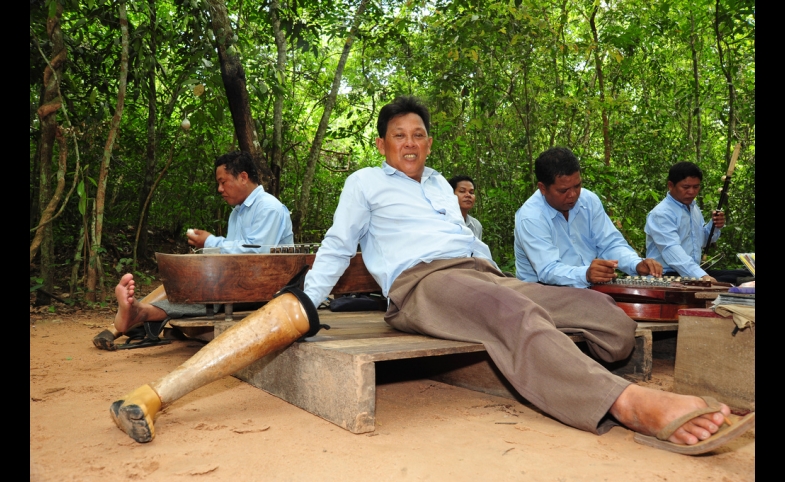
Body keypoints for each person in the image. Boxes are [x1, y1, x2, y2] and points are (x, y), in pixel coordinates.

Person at [109, 96, 752, 455]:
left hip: (482, 274)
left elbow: (469, 244)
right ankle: (626, 404)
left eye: (419, 133)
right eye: (398, 135)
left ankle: (568, 366)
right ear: (383, 144)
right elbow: (337, 245)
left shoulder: (444, 187)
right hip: (423, 287)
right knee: (514, 317)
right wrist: (307, 297)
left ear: (427, 141)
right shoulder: (364, 183)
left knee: (604, 317)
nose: (410, 142)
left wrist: (502, 275)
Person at [92, 151, 294, 350]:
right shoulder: (237, 213)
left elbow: (256, 255)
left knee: (203, 298)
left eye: (223, 182)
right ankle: (138, 313)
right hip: (240, 283)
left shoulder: (269, 208)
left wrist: (211, 242)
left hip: (263, 288)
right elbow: (232, 257)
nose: (219, 189)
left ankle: (140, 313)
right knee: (183, 282)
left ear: (243, 177)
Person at [514, 147, 662, 288]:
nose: (573, 195)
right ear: (543, 188)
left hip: (589, 290)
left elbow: (610, 244)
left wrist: (636, 264)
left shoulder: (588, 201)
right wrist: (585, 274)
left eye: (577, 186)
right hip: (542, 293)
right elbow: (548, 270)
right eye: (563, 190)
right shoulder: (531, 217)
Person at [645, 161, 750, 284]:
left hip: (691, 273)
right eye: (686, 187)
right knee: (734, 281)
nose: (692, 192)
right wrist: (702, 276)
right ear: (671, 185)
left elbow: (702, 241)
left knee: (746, 274)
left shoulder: (693, 208)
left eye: (696, 187)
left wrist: (715, 226)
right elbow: (671, 251)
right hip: (666, 275)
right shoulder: (661, 214)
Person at [448, 175, 482, 240]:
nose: (468, 195)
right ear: (451, 194)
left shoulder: (476, 225)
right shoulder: (442, 222)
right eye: (462, 191)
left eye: (471, 192)